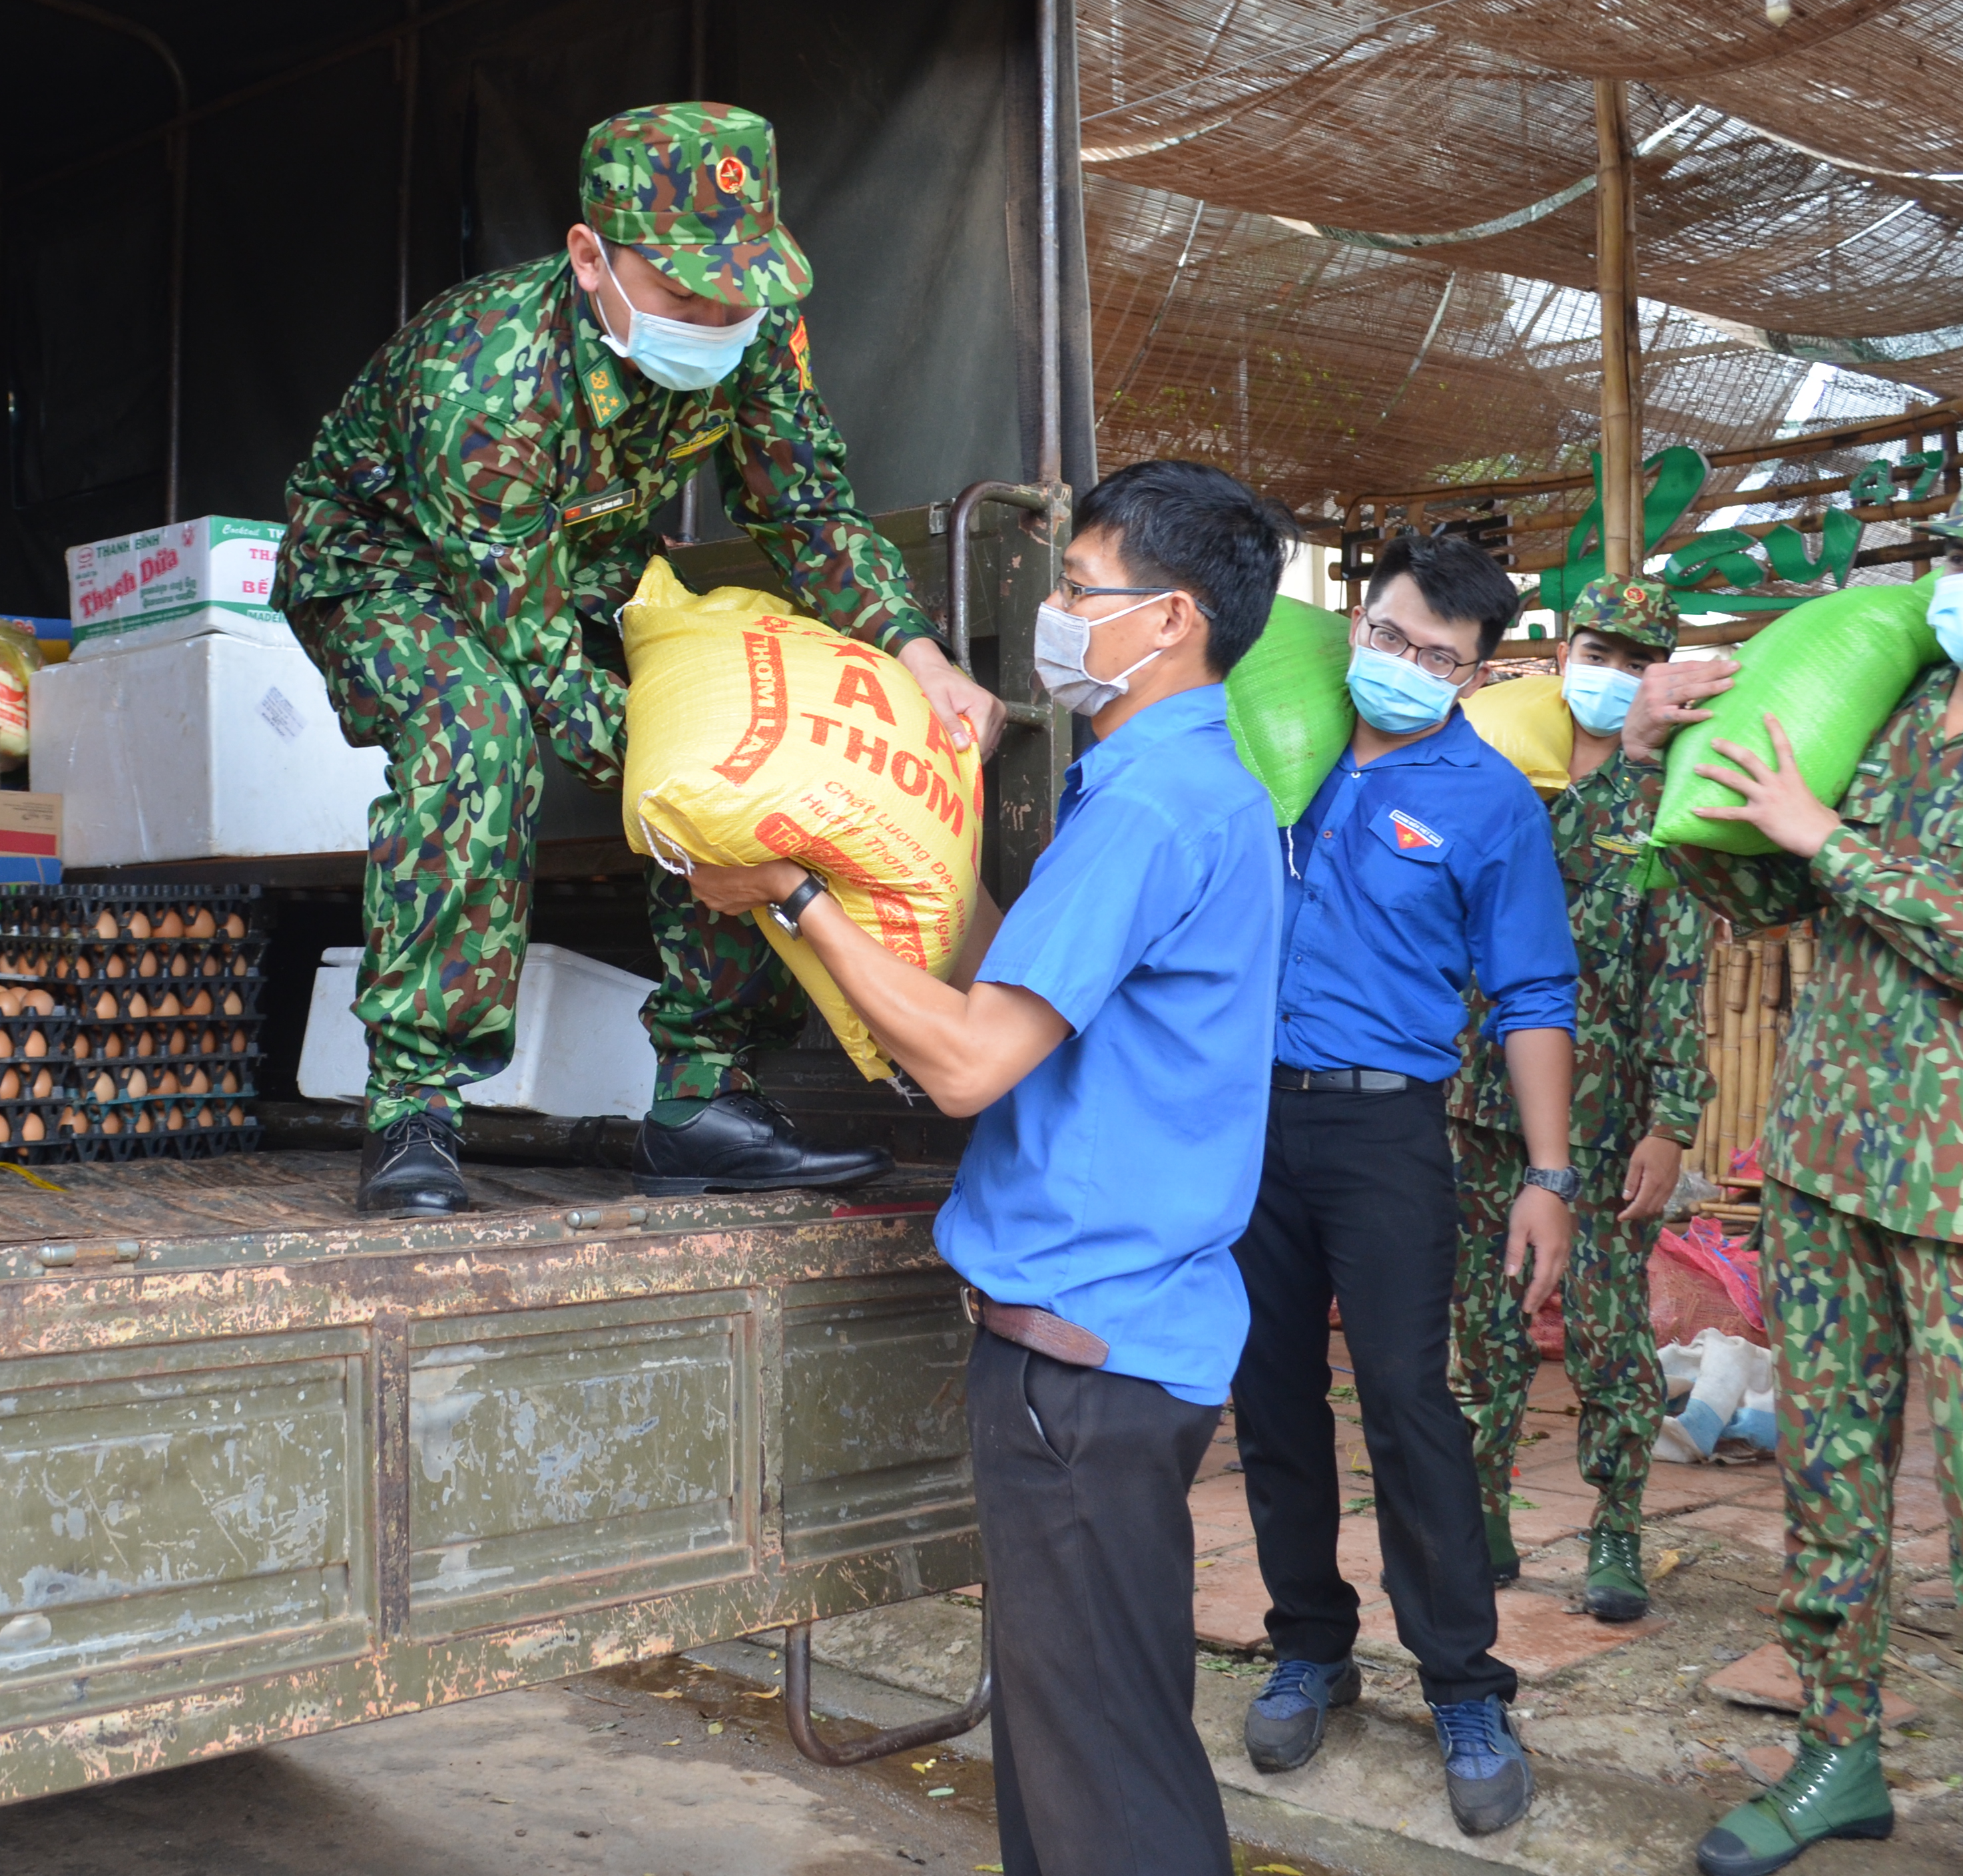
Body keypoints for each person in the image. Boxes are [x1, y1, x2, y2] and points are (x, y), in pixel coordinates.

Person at [685, 459, 1292, 1876]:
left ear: (1172, 619)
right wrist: (875, 834)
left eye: (1080, 588)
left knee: (1101, 1777)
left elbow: (966, 1063)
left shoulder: (1150, 808)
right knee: (1086, 1736)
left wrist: (795, 895)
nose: (1056, 614)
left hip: (1080, 1358)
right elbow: (1007, 968)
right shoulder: (1180, 784)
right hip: (1125, 1342)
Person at [276, 101, 1002, 1217]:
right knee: (479, 728)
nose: (715, 319)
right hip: (390, 565)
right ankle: (413, 1105)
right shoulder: (485, 376)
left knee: (754, 727)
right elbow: (531, 652)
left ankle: (704, 1098)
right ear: (588, 258)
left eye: (735, 293)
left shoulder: (754, 319)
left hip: (583, 555)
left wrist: (917, 651)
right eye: (680, 294)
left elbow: (805, 508)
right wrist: (683, 792)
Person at [1629, 451, 1963, 1876]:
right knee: (1828, 1479)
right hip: (1824, 1164)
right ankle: (1835, 1758)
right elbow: (1765, 889)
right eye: (1962, 558)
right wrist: (1667, 762)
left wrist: (1835, 844)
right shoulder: (1889, 710)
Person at [1237, 531, 1579, 1839]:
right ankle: (1306, 1647)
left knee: (1405, 1404)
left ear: (1474, 675)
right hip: (1247, 1123)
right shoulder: (1282, 737)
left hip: (1385, 1133)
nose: (1403, 664)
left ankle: (1461, 1685)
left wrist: (1545, 1172)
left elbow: (1532, 992)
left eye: (1439, 657)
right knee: (1268, 1396)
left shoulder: (1489, 802)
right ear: (1354, 623)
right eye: (1389, 637)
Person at [1448, 573, 1713, 1624]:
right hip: (1487, 1102)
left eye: (1640, 662)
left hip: (1608, 1122)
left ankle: (1615, 1529)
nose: (1616, 676)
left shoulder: (1668, 806)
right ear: (1564, 658)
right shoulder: (1504, 774)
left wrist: (1672, 1120)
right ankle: (1481, 1509)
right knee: (1487, 1321)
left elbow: (1678, 970)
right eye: (1599, 654)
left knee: (1610, 1334)